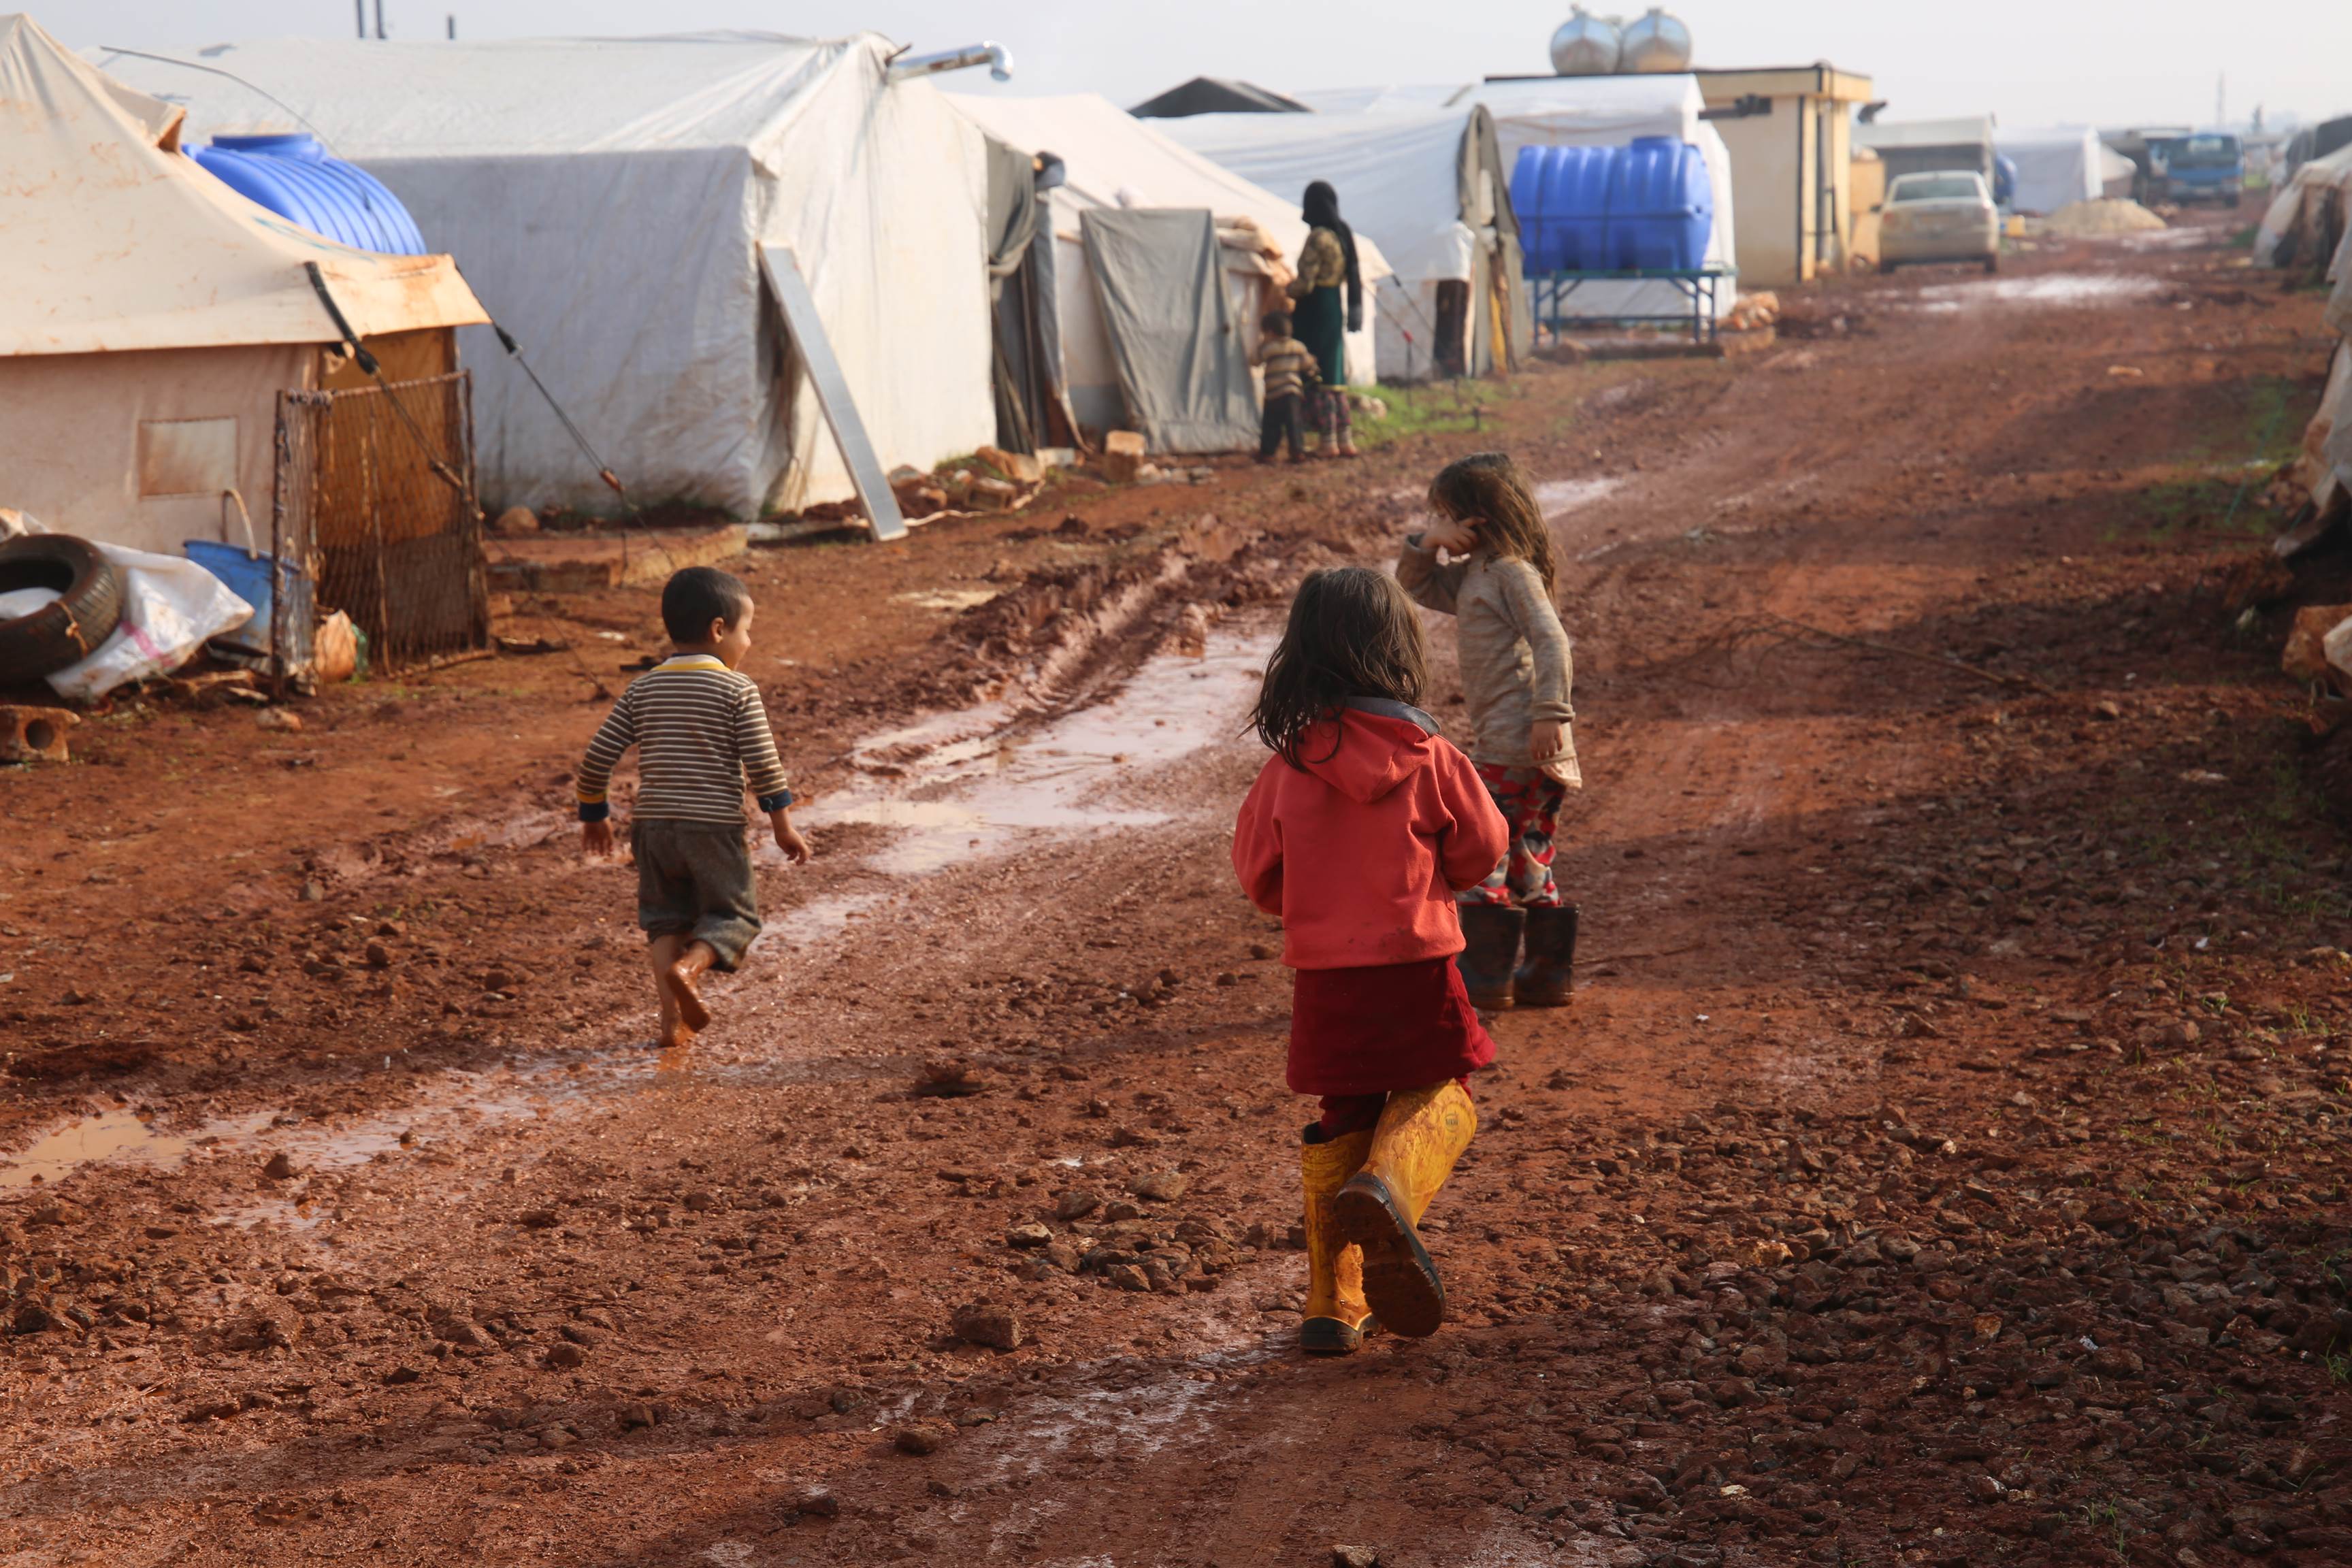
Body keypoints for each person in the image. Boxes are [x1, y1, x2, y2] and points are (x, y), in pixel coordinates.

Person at [1232, 566, 1509, 1354]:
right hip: (1416, 965)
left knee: (1343, 1117)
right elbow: (1484, 850)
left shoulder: (1286, 768)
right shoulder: (1428, 754)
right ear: (1397, 647)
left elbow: (1258, 875)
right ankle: (1386, 1187)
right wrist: (1436, 882)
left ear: (1303, 653)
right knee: (1440, 1092)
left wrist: (1312, 908)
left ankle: (1334, 1303)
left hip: (1326, 980)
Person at [576, 566, 812, 1049]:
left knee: (666, 921)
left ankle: (670, 1025)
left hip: (654, 830)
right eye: (747, 629)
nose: (749, 641)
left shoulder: (642, 689)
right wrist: (782, 826)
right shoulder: (737, 689)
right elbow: (764, 766)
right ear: (719, 629)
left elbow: (598, 756)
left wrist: (595, 814)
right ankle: (691, 968)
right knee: (734, 917)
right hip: (713, 827)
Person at [1395, 453, 1580, 1011]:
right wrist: (1427, 542)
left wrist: (1551, 711)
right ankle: (1546, 978)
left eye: (1446, 515)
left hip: (1521, 738)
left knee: (1482, 852)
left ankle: (1487, 977)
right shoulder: (1476, 573)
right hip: (1515, 740)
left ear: (1478, 517)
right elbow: (1417, 587)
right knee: (1526, 855)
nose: (1439, 525)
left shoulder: (1509, 573)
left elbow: (1552, 641)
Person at [1286, 180, 1363, 459]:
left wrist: (1287, 289)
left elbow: (1305, 283)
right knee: (1333, 372)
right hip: (1333, 305)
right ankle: (1345, 440)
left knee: (1314, 371)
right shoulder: (1341, 235)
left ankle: (1326, 441)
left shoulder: (1318, 237)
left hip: (1314, 308)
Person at [1252, 308, 1318, 463]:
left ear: (1270, 332)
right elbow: (1307, 365)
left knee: (1271, 424)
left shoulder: (1269, 348)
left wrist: (1261, 344)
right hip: (1292, 392)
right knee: (1294, 423)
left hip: (1273, 393)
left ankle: (1268, 453)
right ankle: (1297, 452)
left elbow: (1254, 361)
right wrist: (1314, 367)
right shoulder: (1298, 346)